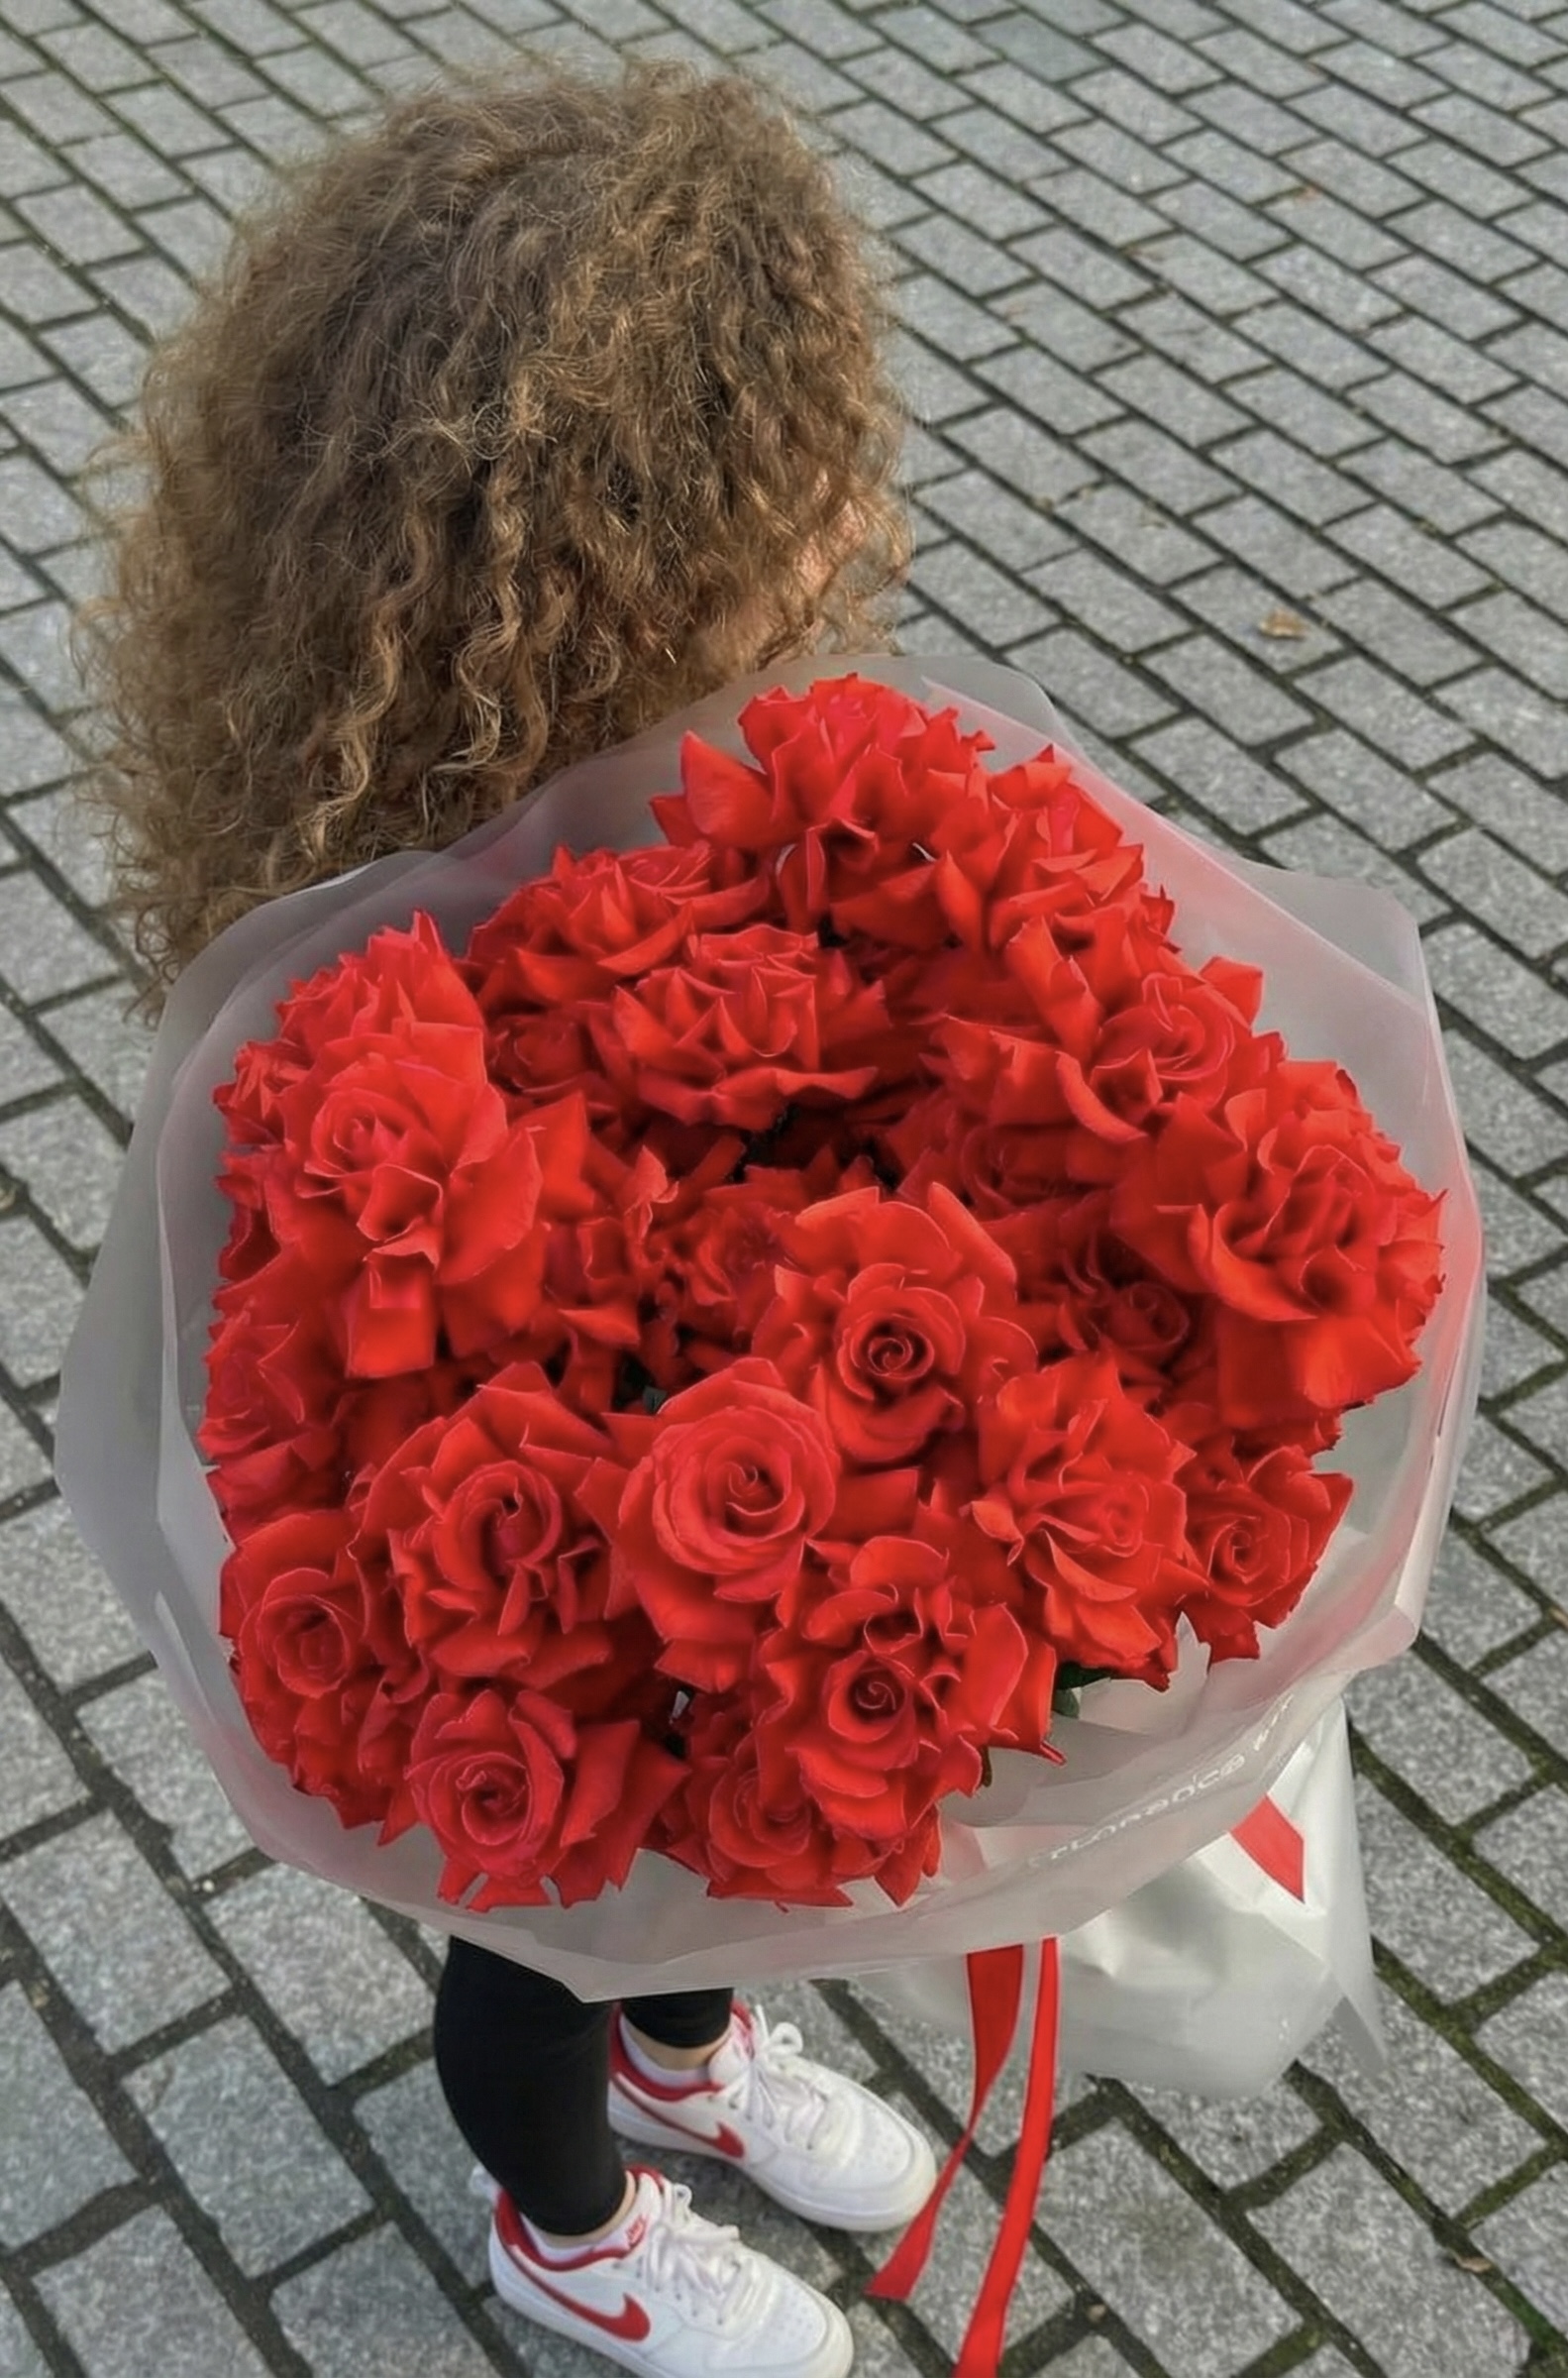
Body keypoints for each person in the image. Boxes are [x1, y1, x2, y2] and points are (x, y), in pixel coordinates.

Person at [79, 61, 940, 2378]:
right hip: (515, 1581)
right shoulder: (383, 950)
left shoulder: (731, 786)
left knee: (700, 1867)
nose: (860, 507)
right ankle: (563, 2218)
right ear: (653, 543)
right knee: (539, 1916)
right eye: (799, 469)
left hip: (708, 1532)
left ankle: (691, 2059)